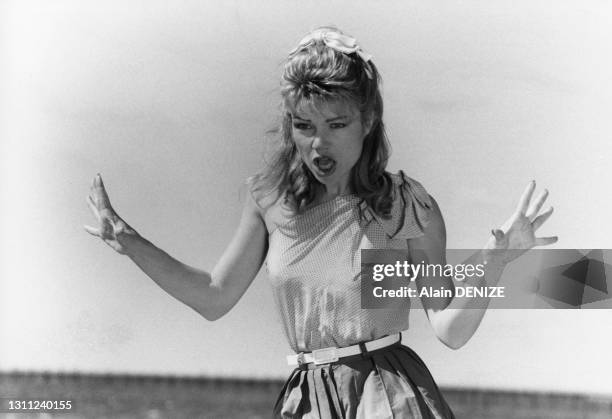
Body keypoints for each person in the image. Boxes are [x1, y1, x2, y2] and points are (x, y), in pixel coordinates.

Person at [85, 26, 557, 418]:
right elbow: (213, 297)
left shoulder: (405, 204)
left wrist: (497, 259)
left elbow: (450, 329)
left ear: (367, 120)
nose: (319, 145)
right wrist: (130, 242)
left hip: (387, 395)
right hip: (306, 397)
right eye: (304, 126)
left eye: (337, 124)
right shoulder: (267, 201)